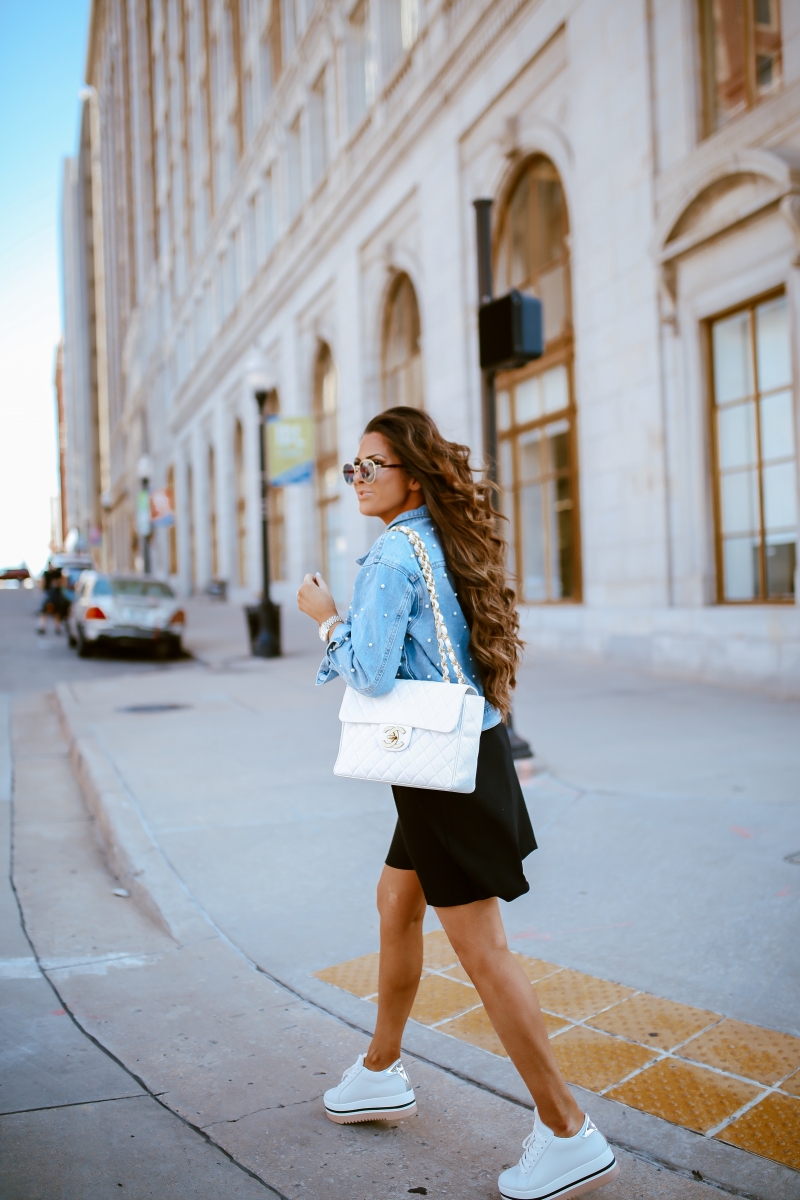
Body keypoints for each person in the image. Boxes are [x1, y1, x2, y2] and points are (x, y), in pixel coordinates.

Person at [297, 408, 618, 1200]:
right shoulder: (440, 543)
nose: (360, 479)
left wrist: (324, 616)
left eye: (373, 465)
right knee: (394, 901)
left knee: (484, 953)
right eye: (354, 467)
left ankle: (567, 1129)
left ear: (413, 473)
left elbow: (369, 671)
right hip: (455, 757)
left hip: (443, 772)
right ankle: (379, 1069)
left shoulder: (390, 557)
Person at [37, 562, 68, 636]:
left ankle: (57, 628)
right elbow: (43, 583)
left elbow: (63, 581)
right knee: (44, 612)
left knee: (56, 613)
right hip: (48, 594)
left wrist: (58, 583)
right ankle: (43, 627)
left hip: (55, 596)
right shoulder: (46, 574)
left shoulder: (57, 573)